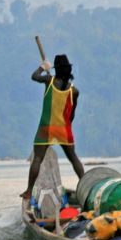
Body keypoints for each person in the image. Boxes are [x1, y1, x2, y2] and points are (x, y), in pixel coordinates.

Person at [20, 54, 86, 201]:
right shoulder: (74, 91)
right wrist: (66, 127)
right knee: (74, 158)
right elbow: (71, 114)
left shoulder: (49, 81)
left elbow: (34, 76)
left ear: (56, 69)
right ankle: (86, 187)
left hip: (46, 127)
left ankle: (29, 191)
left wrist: (43, 67)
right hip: (63, 128)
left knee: (37, 158)